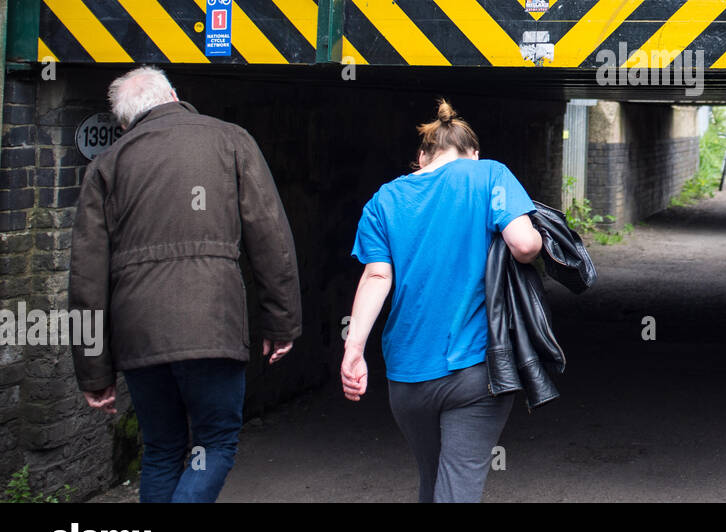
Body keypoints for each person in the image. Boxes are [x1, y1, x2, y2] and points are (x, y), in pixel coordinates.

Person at [69, 66, 301, 503]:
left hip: (140, 337)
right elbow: (270, 239)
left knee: (161, 451)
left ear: (125, 122)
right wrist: (281, 324)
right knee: (213, 443)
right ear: (173, 94)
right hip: (212, 325)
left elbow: (86, 276)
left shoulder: (106, 166)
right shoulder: (231, 141)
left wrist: (93, 369)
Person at [342, 100, 542, 503]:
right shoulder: (489, 175)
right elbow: (523, 245)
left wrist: (354, 348)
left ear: (421, 157)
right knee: (457, 489)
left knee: (431, 480)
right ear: (473, 154)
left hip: (407, 378)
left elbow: (377, 276)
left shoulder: (384, 200)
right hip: (475, 372)